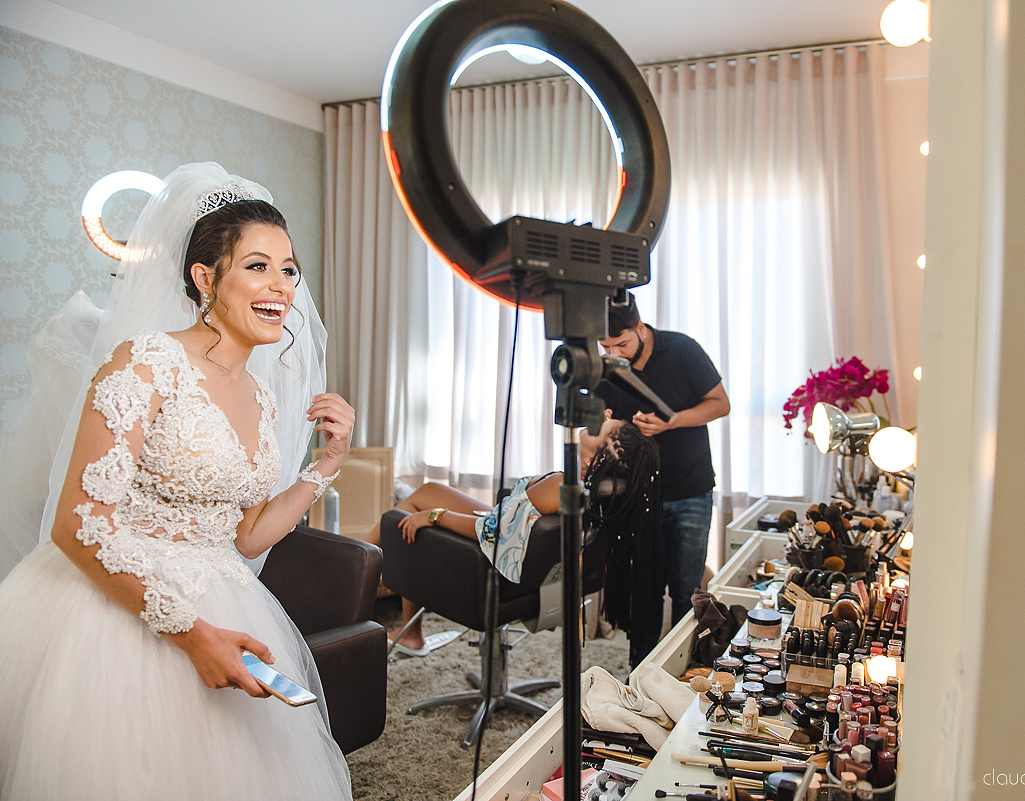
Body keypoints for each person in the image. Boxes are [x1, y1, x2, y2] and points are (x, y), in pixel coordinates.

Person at [0, 163, 356, 800]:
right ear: (205, 277)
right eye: (257, 266)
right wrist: (194, 635)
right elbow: (78, 524)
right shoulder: (146, 361)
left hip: (224, 600)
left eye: (289, 268)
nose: (281, 285)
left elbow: (247, 536)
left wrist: (324, 467)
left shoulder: (262, 397)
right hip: (110, 617)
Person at [368, 418, 661, 662]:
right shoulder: (600, 489)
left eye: (602, 427)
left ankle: (358, 582)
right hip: (512, 535)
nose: (597, 420)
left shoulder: (562, 486)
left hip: (491, 557)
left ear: (590, 459)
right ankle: (404, 624)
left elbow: (493, 533)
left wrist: (437, 517)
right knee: (426, 490)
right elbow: (509, 522)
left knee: (400, 518)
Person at [595, 293, 730, 666]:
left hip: (690, 491)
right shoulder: (604, 364)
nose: (615, 353)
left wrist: (671, 420)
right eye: (606, 346)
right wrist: (608, 425)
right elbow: (593, 430)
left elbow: (720, 403)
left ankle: (688, 669)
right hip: (635, 494)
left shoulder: (682, 350)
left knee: (687, 590)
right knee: (644, 592)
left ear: (641, 328)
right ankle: (641, 674)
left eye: (622, 343)